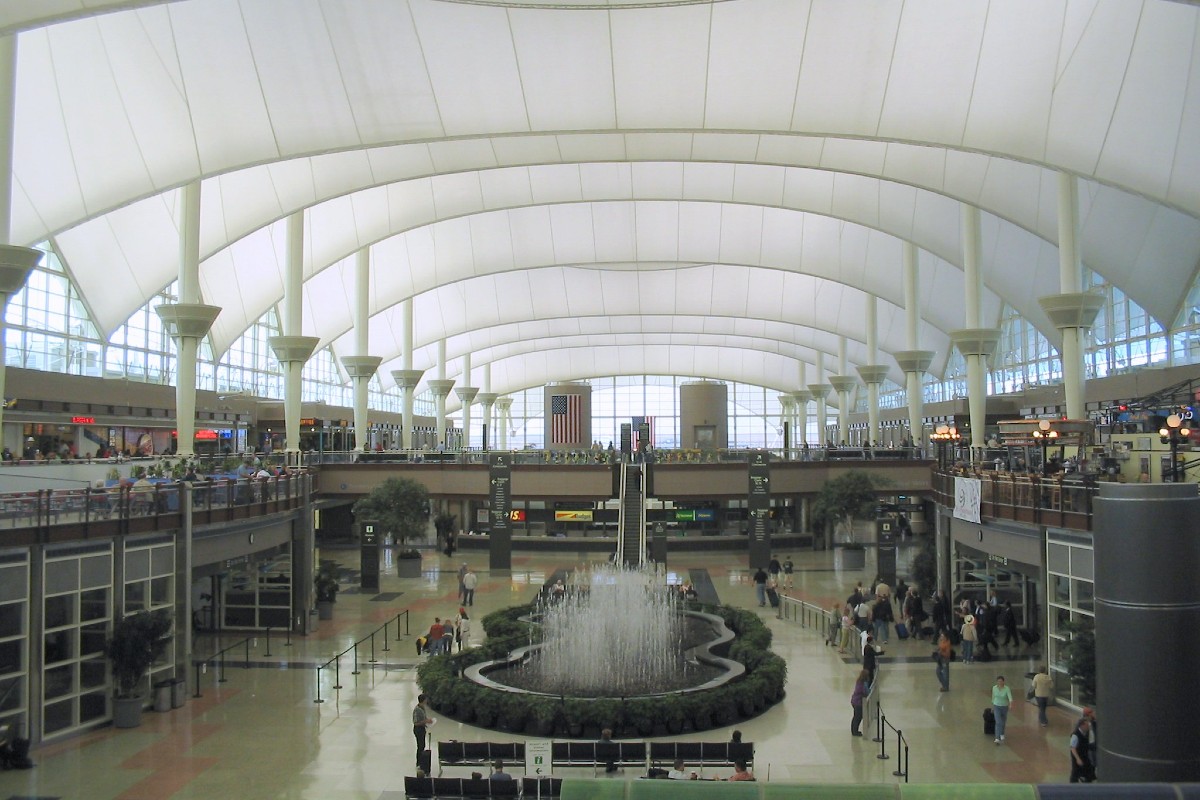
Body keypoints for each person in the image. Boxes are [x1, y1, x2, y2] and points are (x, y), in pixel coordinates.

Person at [1069, 717, 1094, 782]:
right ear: (1082, 725)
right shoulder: (1075, 735)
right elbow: (1073, 748)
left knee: (1088, 771)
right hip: (1078, 757)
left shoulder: (1085, 733)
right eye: (1087, 725)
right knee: (1075, 773)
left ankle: (1086, 781)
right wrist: (1078, 759)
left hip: (1084, 756)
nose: (1088, 727)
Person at [412, 694, 434, 766]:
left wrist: (428, 721)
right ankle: (418, 763)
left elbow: (424, 718)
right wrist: (425, 722)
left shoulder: (422, 708)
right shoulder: (417, 710)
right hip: (418, 730)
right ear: (424, 700)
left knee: (422, 745)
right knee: (420, 746)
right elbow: (416, 722)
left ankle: (421, 761)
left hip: (422, 728)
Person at [992, 675, 1013, 744]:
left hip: (1004, 706)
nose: (999, 683)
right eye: (998, 681)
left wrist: (1010, 704)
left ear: (1003, 682)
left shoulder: (1007, 688)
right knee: (998, 722)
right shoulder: (994, 688)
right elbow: (993, 697)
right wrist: (993, 706)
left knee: (1003, 721)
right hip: (996, 706)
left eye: (1001, 681)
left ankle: (1002, 733)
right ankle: (997, 738)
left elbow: (1010, 697)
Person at [850, 668, 869, 736]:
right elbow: (865, 692)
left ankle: (854, 730)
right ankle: (855, 731)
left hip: (854, 701)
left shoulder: (859, 682)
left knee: (856, 716)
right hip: (858, 702)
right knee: (858, 717)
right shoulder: (863, 684)